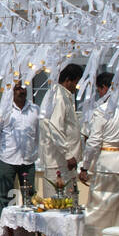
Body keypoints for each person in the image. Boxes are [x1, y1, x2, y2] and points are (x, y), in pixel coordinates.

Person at [79, 72, 119, 236]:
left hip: (106, 163)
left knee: (98, 210)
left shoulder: (103, 110)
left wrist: (85, 166)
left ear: (106, 88)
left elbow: (94, 142)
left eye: (100, 90)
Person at [38, 63, 83, 201]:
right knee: (58, 203)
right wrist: (68, 154)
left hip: (65, 161)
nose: (77, 86)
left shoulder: (64, 95)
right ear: (68, 80)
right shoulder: (59, 97)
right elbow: (55, 127)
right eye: (76, 82)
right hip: (59, 161)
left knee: (69, 201)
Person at [0, 81, 39, 211]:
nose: (21, 91)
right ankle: (7, 230)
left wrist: (33, 153)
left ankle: (28, 228)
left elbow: (37, 135)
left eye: (23, 88)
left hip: (28, 161)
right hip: (8, 160)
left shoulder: (35, 110)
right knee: (6, 197)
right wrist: (5, 151)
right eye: (17, 89)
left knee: (30, 196)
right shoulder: (2, 111)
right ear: (11, 90)